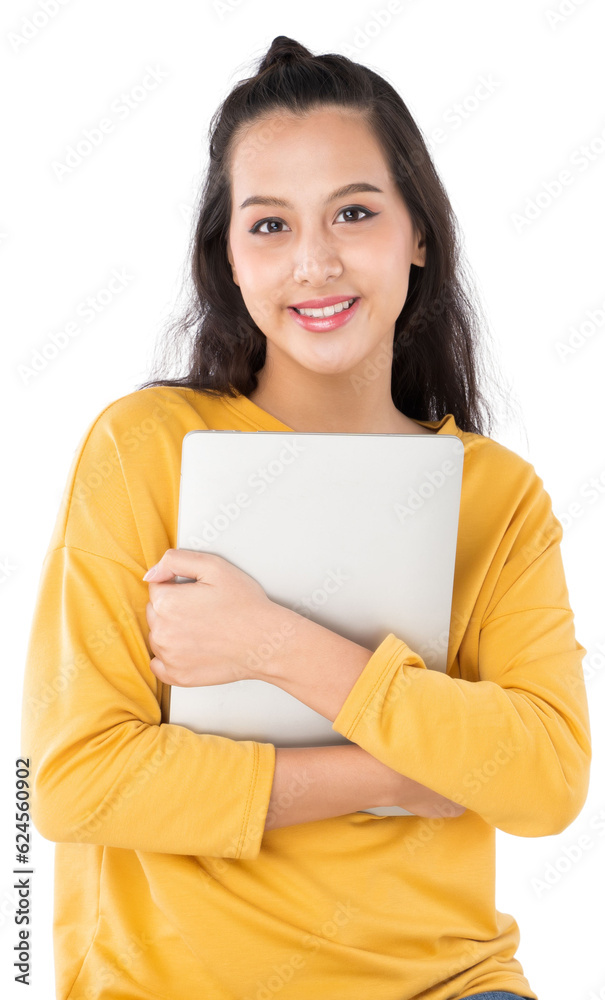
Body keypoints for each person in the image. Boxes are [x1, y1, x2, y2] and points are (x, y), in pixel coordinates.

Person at [21, 34, 591, 1000]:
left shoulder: (496, 494)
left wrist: (272, 642)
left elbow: (544, 779)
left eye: (354, 213)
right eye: (270, 226)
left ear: (419, 234)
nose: (314, 263)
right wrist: (392, 775)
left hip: (443, 984)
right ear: (229, 258)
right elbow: (74, 782)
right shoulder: (144, 445)